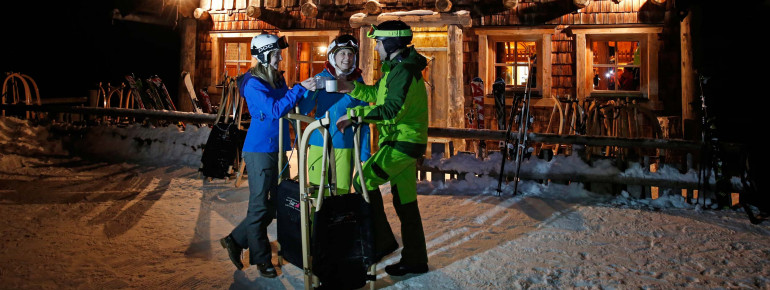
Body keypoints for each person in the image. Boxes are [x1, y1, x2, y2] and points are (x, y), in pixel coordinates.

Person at [336, 20, 429, 276]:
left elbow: (390, 111)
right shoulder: (396, 69)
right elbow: (378, 94)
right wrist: (351, 87)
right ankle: (416, 259)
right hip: (405, 143)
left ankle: (380, 243)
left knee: (363, 180)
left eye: (377, 42)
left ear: (390, 42)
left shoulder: (404, 71)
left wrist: (354, 116)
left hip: (402, 142)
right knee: (406, 203)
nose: (376, 48)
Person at [219, 33, 315, 278]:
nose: (279, 58)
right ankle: (261, 259)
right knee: (259, 206)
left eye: (278, 54)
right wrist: (298, 89)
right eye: (274, 54)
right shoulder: (253, 83)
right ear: (262, 56)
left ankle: (235, 238)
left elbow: (288, 104)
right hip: (259, 150)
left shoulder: (276, 79)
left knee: (273, 205)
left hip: (278, 147)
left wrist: (304, 92)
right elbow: (274, 110)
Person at [297, 34, 371, 196]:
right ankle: (316, 221)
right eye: (342, 53)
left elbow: (365, 119)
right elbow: (303, 109)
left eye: (351, 54)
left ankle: (338, 222)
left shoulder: (358, 84)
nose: (347, 58)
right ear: (332, 55)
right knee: (318, 192)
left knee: (342, 192)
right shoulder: (322, 78)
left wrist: (365, 151)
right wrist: (310, 90)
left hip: (345, 145)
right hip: (319, 143)